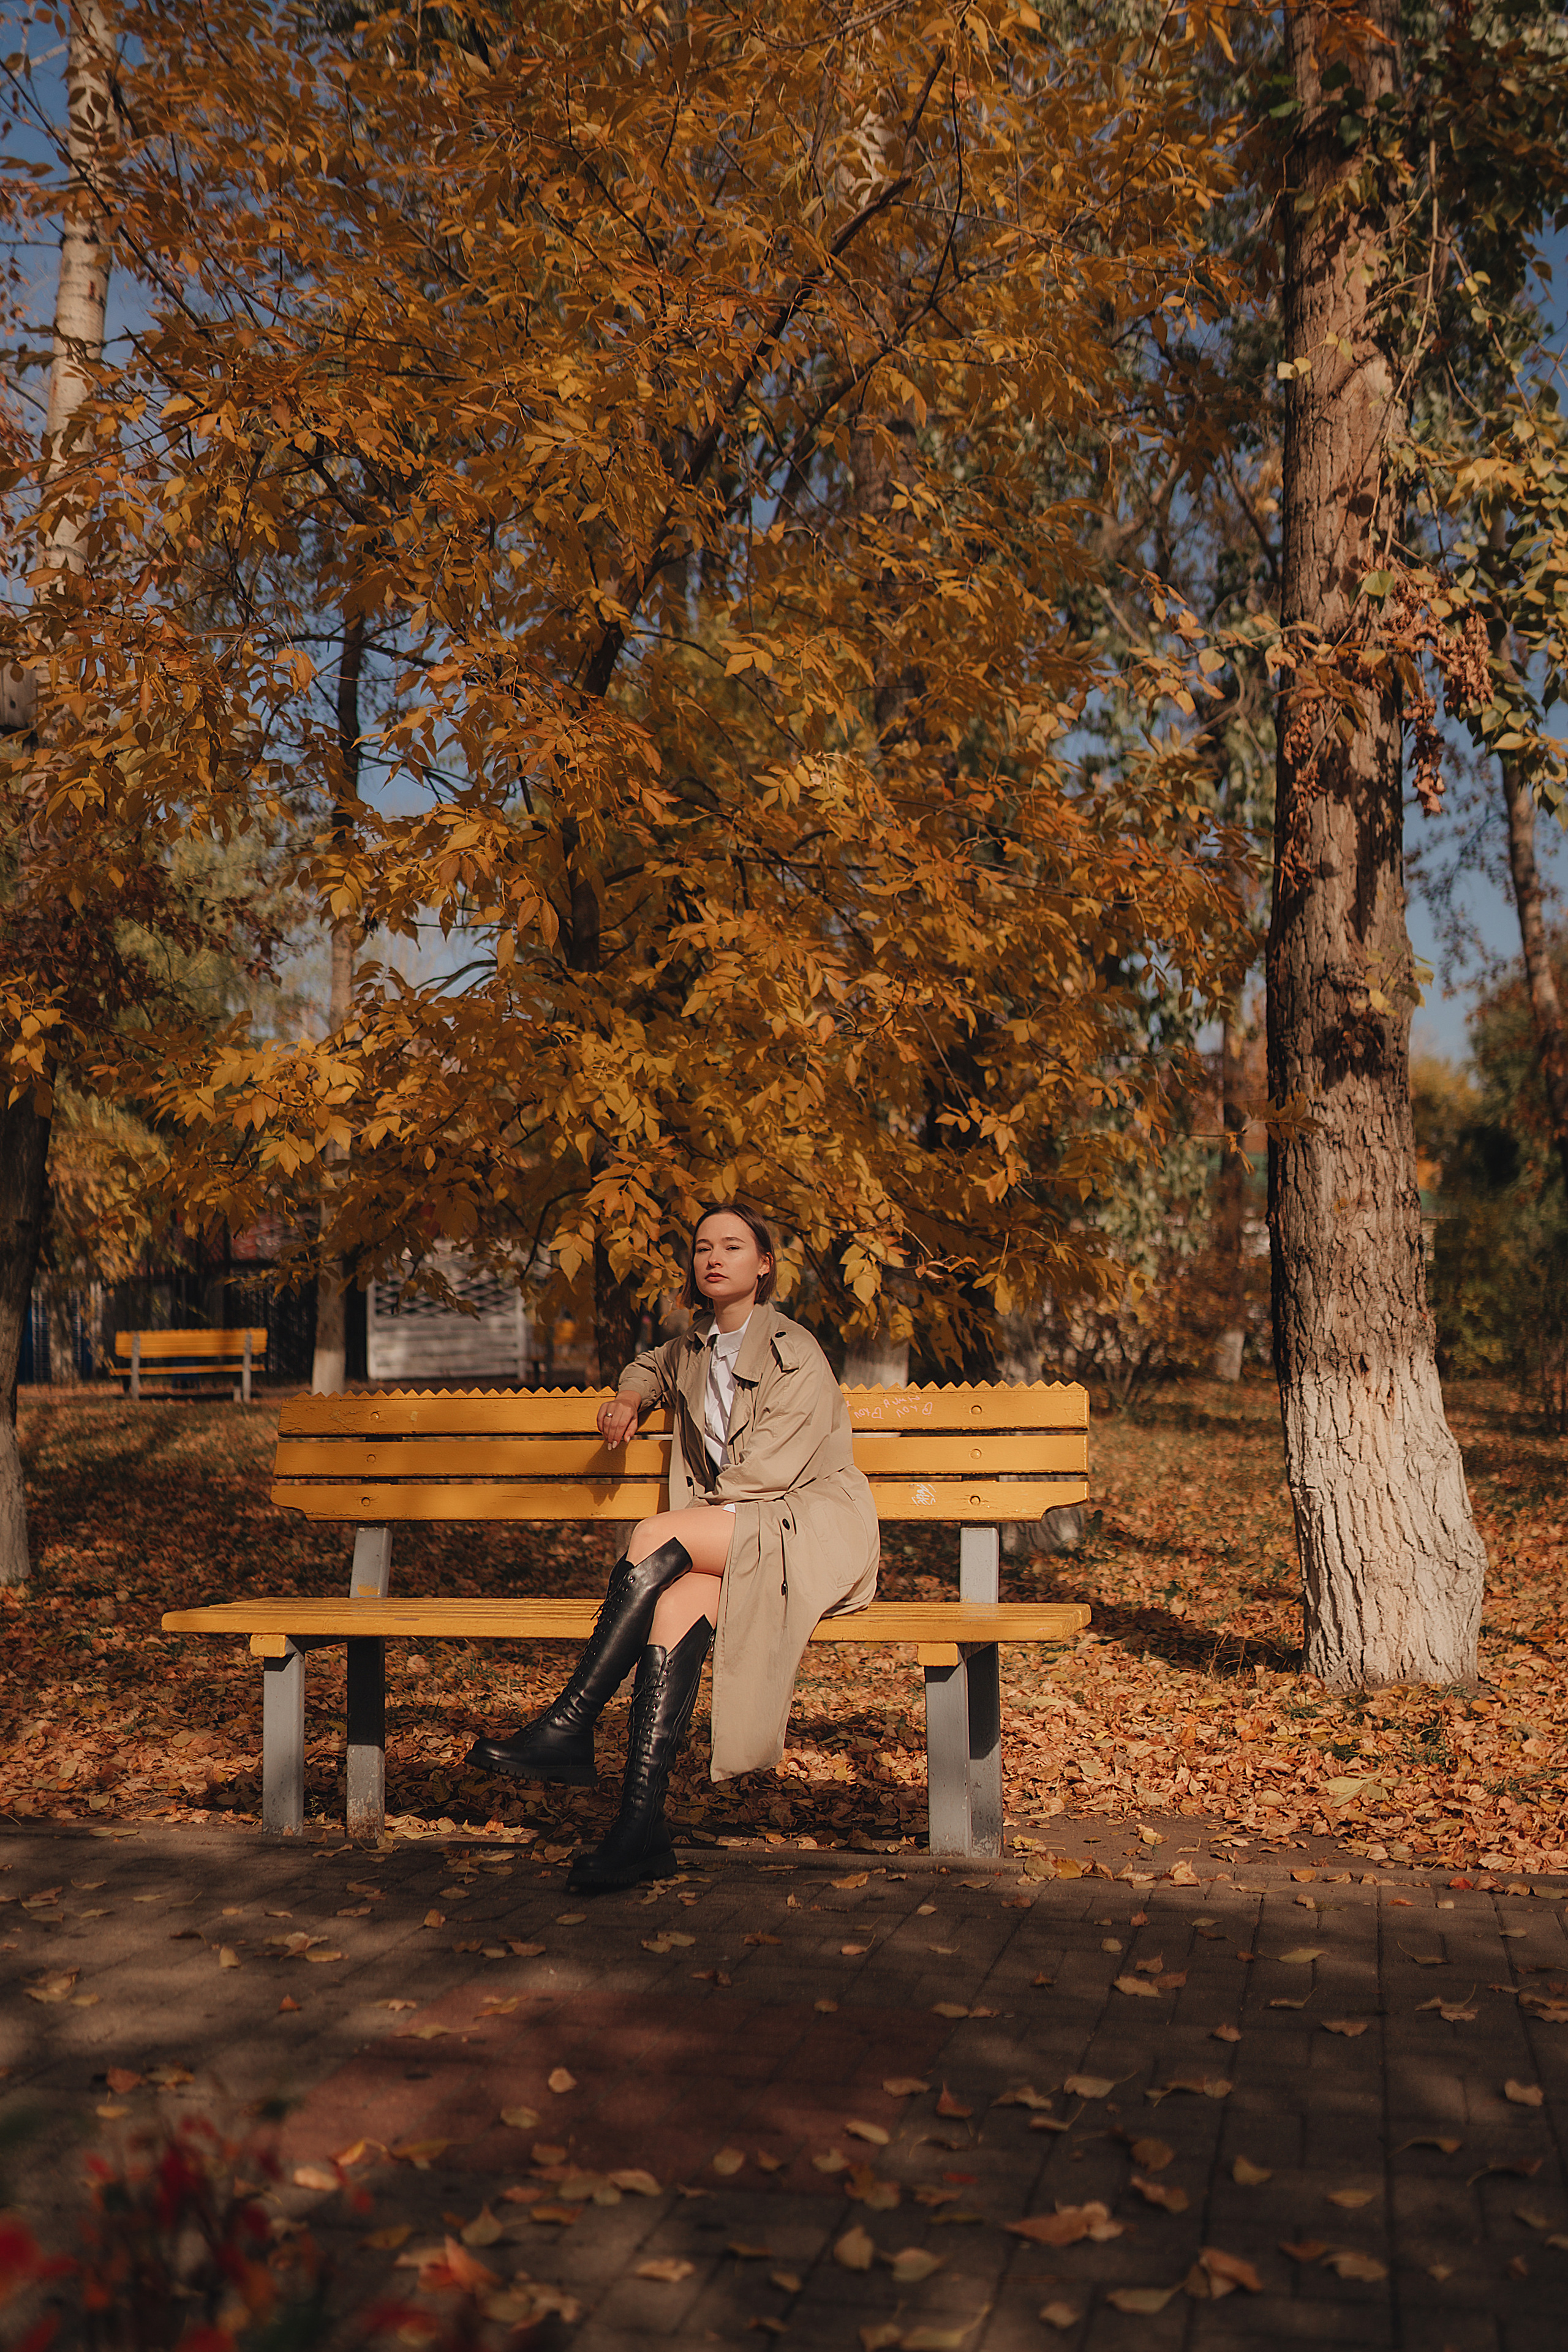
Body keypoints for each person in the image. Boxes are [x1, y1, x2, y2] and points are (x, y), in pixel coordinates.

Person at [467, 1202, 879, 1891]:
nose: (713, 1258)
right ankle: (640, 1830)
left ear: (764, 1265)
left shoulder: (794, 1348)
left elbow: (773, 1470)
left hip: (806, 1524)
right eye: (701, 1248)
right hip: (740, 1529)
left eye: (733, 1247)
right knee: (672, 1611)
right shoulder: (692, 1348)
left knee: (658, 1530)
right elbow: (650, 1365)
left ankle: (569, 1725)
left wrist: (695, 1522)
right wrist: (629, 1397)